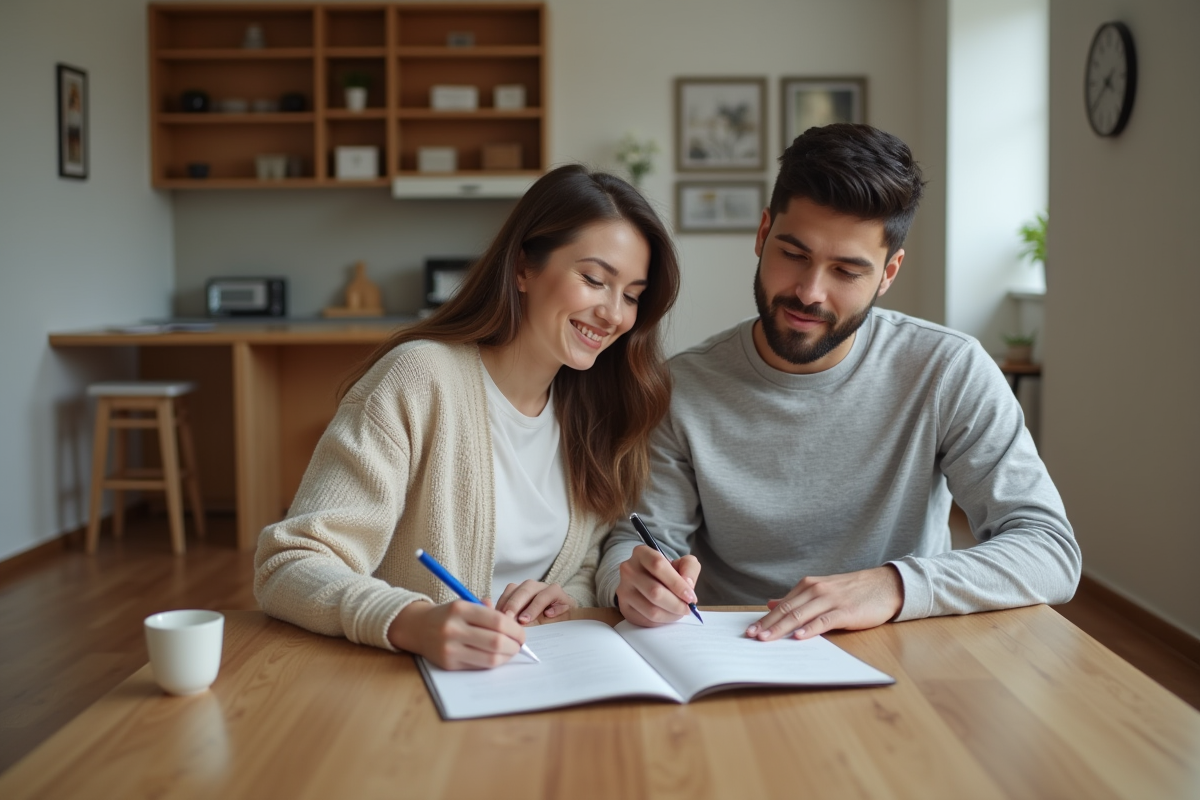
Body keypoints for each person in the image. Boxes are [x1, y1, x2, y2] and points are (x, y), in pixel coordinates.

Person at [597, 123, 1080, 641]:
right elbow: (638, 539)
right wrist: (633, 581)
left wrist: (892, 586)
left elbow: (1048, 549)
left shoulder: (948, 370)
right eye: (793, 254)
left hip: (902, 644)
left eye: (847, 271)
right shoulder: (682, 387)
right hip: (736, 648)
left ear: (888, 273)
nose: (809, 292)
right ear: (762, 235)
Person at [256, 165, 680, 669]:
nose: (614, 314)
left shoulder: (595, 409)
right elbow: (290, 563)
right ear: (523, 267)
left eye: (631, 295)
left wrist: (562, 595)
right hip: (410, 691)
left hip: (537, 680)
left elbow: (586, 557)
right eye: (594, 279)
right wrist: (410, 621)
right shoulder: (419, 378)